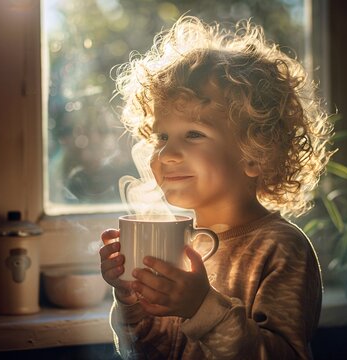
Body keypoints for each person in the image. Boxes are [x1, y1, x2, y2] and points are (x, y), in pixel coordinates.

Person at [100, 16, 333, 359]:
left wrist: (201, 308)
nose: (165, 153)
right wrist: (132, 297)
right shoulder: (182, 244)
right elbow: (148, 351)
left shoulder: (282, 249)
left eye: (193, 134)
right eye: (161, 136)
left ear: (255, 153)